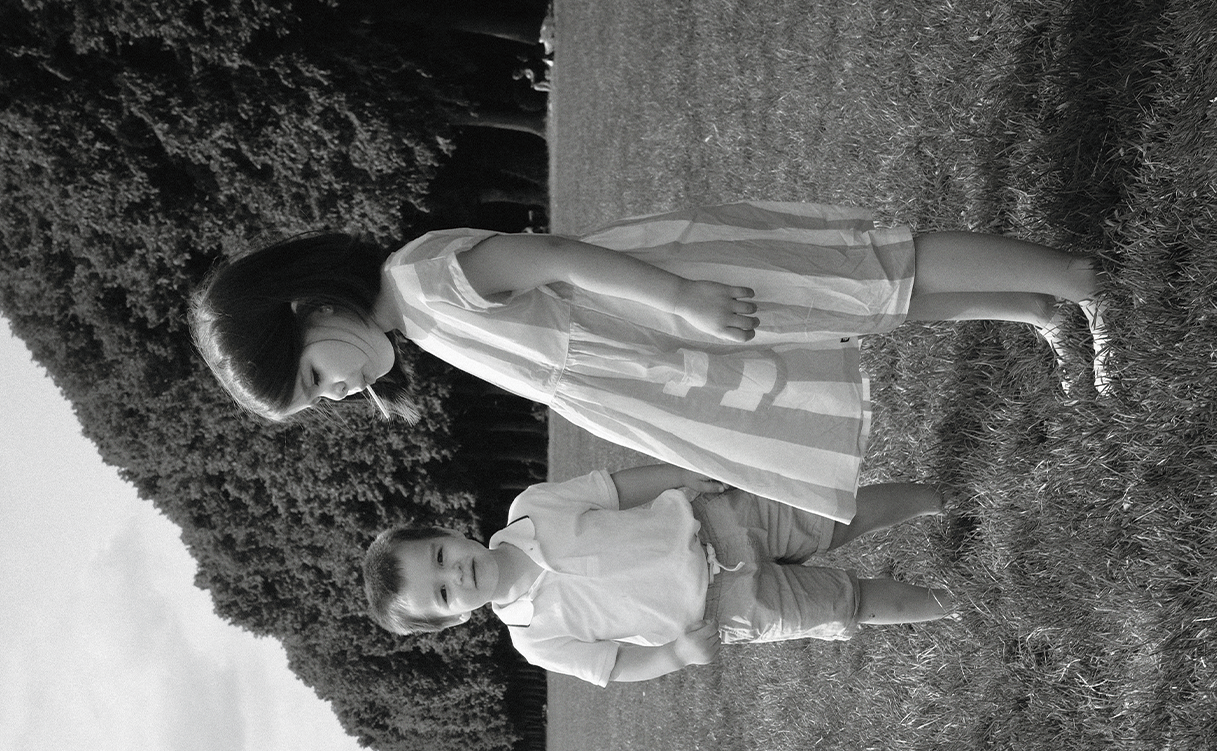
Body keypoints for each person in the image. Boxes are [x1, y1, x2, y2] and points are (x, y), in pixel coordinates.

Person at [189, 203, 1112, 527]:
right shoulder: (419, 324)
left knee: (862, 273)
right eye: (320, 402)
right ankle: (1035, 309)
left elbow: (553, 257)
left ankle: (1078, 279)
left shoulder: (420, 278)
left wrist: (680, 301)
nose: (338, 392)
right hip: (660, 343)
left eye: (313, 378)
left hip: (670, 294)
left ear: (306, 306)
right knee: (855, 309)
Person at [361, 461, 954, 684]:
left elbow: (616, 490)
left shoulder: (531, 508)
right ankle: (958, 600)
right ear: (454, 620)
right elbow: (617, 665)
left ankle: (946, 499)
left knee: (838, 517)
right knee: (849, 604)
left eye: (439, 557)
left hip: (719, 520)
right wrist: (675, 655)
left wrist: (680, 477)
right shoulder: (535, 640)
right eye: (443, 594)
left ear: (446, 532)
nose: (456, 574)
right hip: (724, 610)